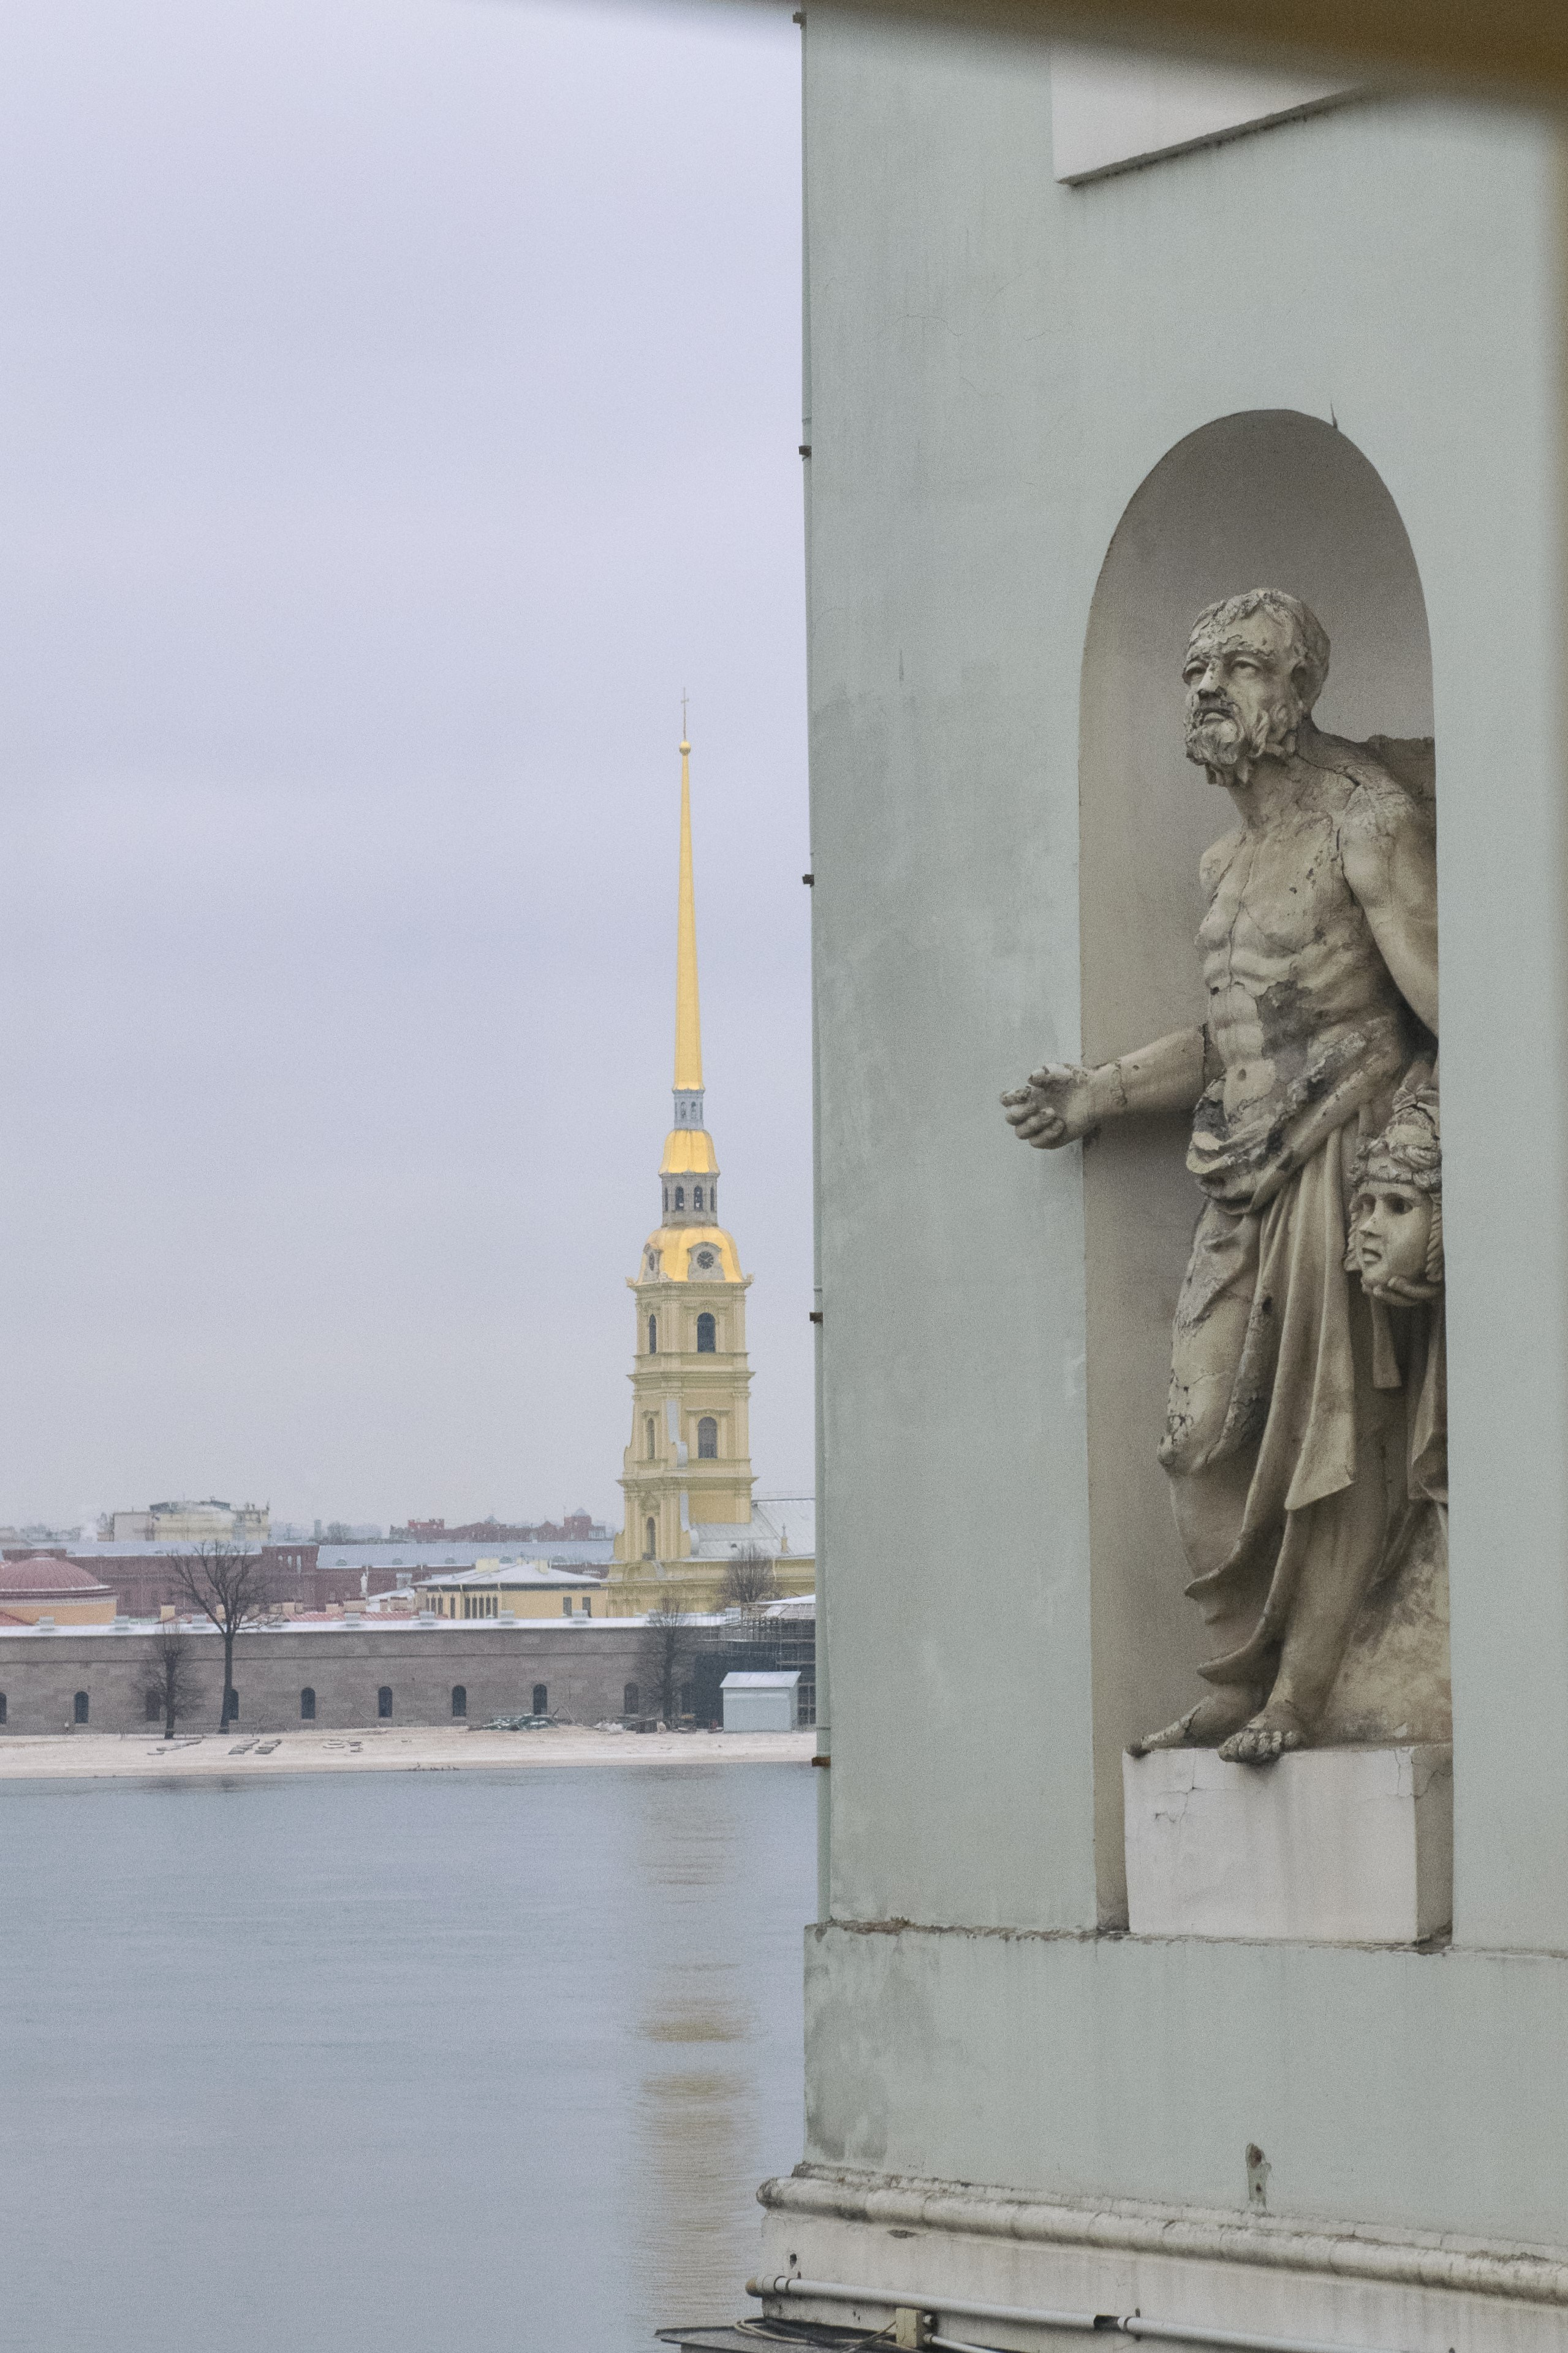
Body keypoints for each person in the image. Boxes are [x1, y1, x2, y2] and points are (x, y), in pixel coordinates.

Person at [1002, 588, 1440, 1763]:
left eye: (1241, 667)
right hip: (1240, 1177)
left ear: (1296, 696)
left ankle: (1298, 1695)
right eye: (1197, 669)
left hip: (1343, 1157)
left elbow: (1448, 1015)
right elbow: (1235, 1028)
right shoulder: (1225, 860)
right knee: (1198, 1443)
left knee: (1329, 1443)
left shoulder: (1370, 824)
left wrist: (1421, 1185)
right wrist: (1106, 1091)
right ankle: (1244, 1668)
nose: (1208, 688)